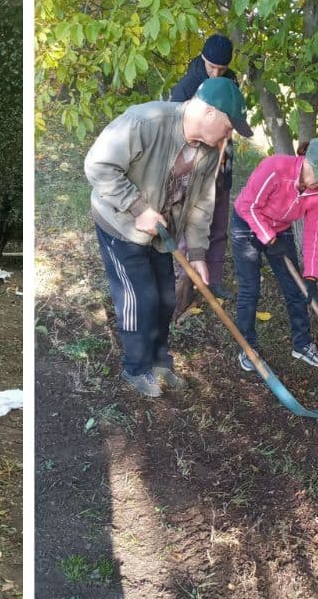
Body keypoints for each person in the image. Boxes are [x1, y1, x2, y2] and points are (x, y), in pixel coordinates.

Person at [86, 77, 253, 398]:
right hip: (119, 224)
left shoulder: (210, 151)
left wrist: (199, 254)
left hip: (162, 233)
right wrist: (137, 208)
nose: (230, 134)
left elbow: (202, 204)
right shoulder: (146, 122)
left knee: (165, 297)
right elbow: (97, 165)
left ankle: (161, 362)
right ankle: (136, 368)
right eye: (229, 126)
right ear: (210, 114)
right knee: (139, 298)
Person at [231, 138, 318, 372]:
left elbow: (314, 235)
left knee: (295, 287)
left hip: (280, 230)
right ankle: (247, 347)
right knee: (250, 289)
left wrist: (311, 277)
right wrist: (269, 239)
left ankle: (302, 344)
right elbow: (248, 206)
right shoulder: (276, 168)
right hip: (247, 224)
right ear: (307, 163)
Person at [170, 33, 240, 303]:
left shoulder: (231, 81)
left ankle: (213, 280)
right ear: (203, 59)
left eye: (222, 68)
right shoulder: (187, 86)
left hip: (222, 164)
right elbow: (176, 131)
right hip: (194, 169)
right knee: (190, 224)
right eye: (212, 66)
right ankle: (185, 279)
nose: (216, 73)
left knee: (219, 224)